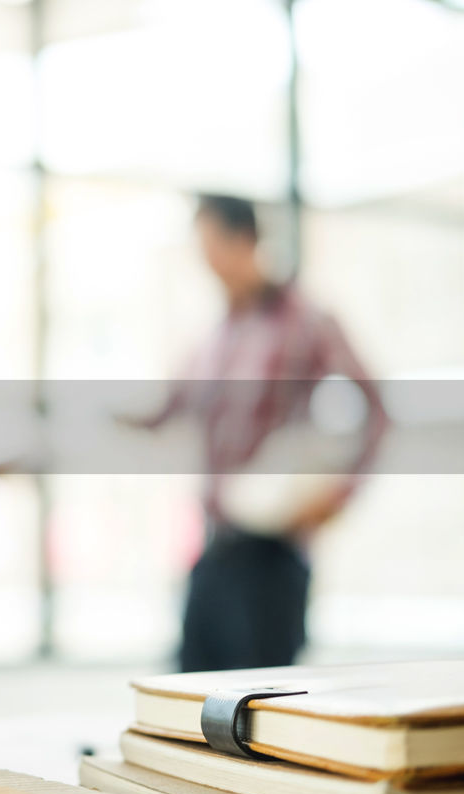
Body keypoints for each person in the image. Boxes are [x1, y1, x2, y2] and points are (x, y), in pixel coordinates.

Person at [133, 195, 387, 672]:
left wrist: (340, 496)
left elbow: (378, 409)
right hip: (215, 548)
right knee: (186, 703)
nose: (201, 259)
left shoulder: (307, 321)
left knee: (260, 718)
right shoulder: (214, 338)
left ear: (244, 240)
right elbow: (166, 412)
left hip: (273, 556)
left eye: (208, 243)